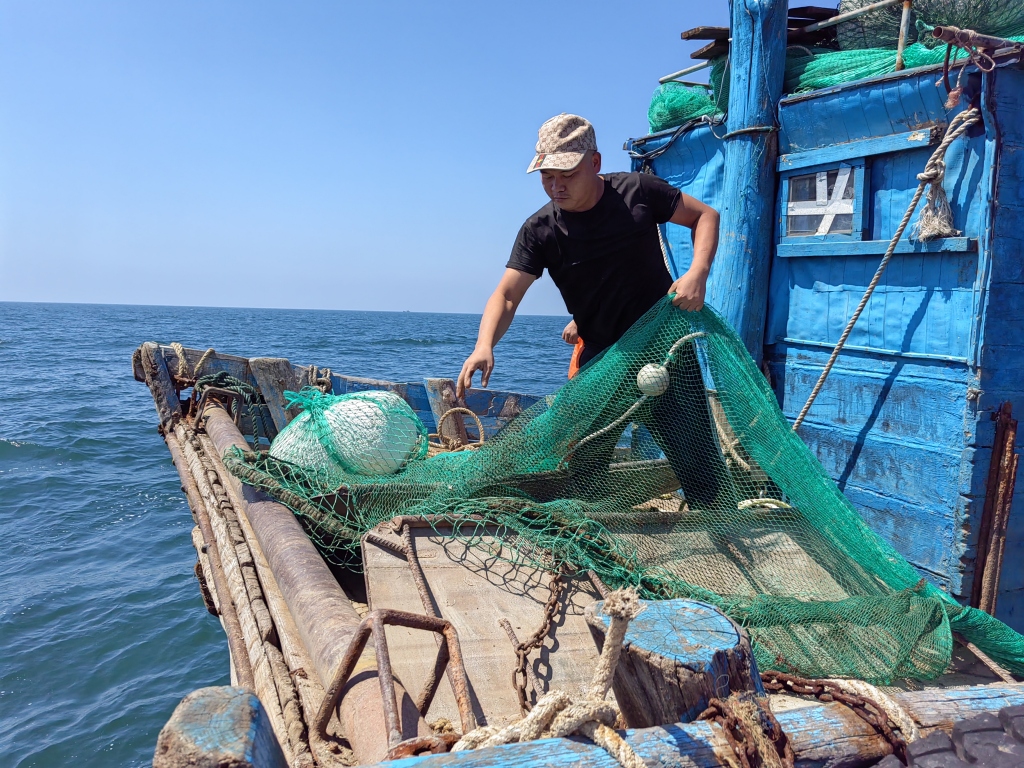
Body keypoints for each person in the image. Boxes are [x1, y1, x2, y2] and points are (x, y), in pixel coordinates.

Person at [457, 114, 730, 507]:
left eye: (566, 174)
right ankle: (592, 538)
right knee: (586, 466)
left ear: (595, 163)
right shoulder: (540, 230)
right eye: (547, 176)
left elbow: (705, 216)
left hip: (665, 349)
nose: (556, 186)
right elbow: (507, 295)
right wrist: (485, 345)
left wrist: (698, 273)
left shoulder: (638, 191)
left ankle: (719, 526)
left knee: (701, 465)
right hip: (601, 359)